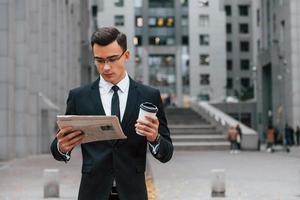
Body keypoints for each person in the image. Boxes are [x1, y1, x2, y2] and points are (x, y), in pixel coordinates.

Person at [50, 27, 173, 200]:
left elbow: (167, 153)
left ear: (127, 56)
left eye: (112, 59)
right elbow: (57, 148)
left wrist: (155, 139)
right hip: (92, 194)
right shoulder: (79, 97)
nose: (106, 67)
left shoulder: (149, 96)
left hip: (133, 194)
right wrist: (62, 147)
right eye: (99, 60)